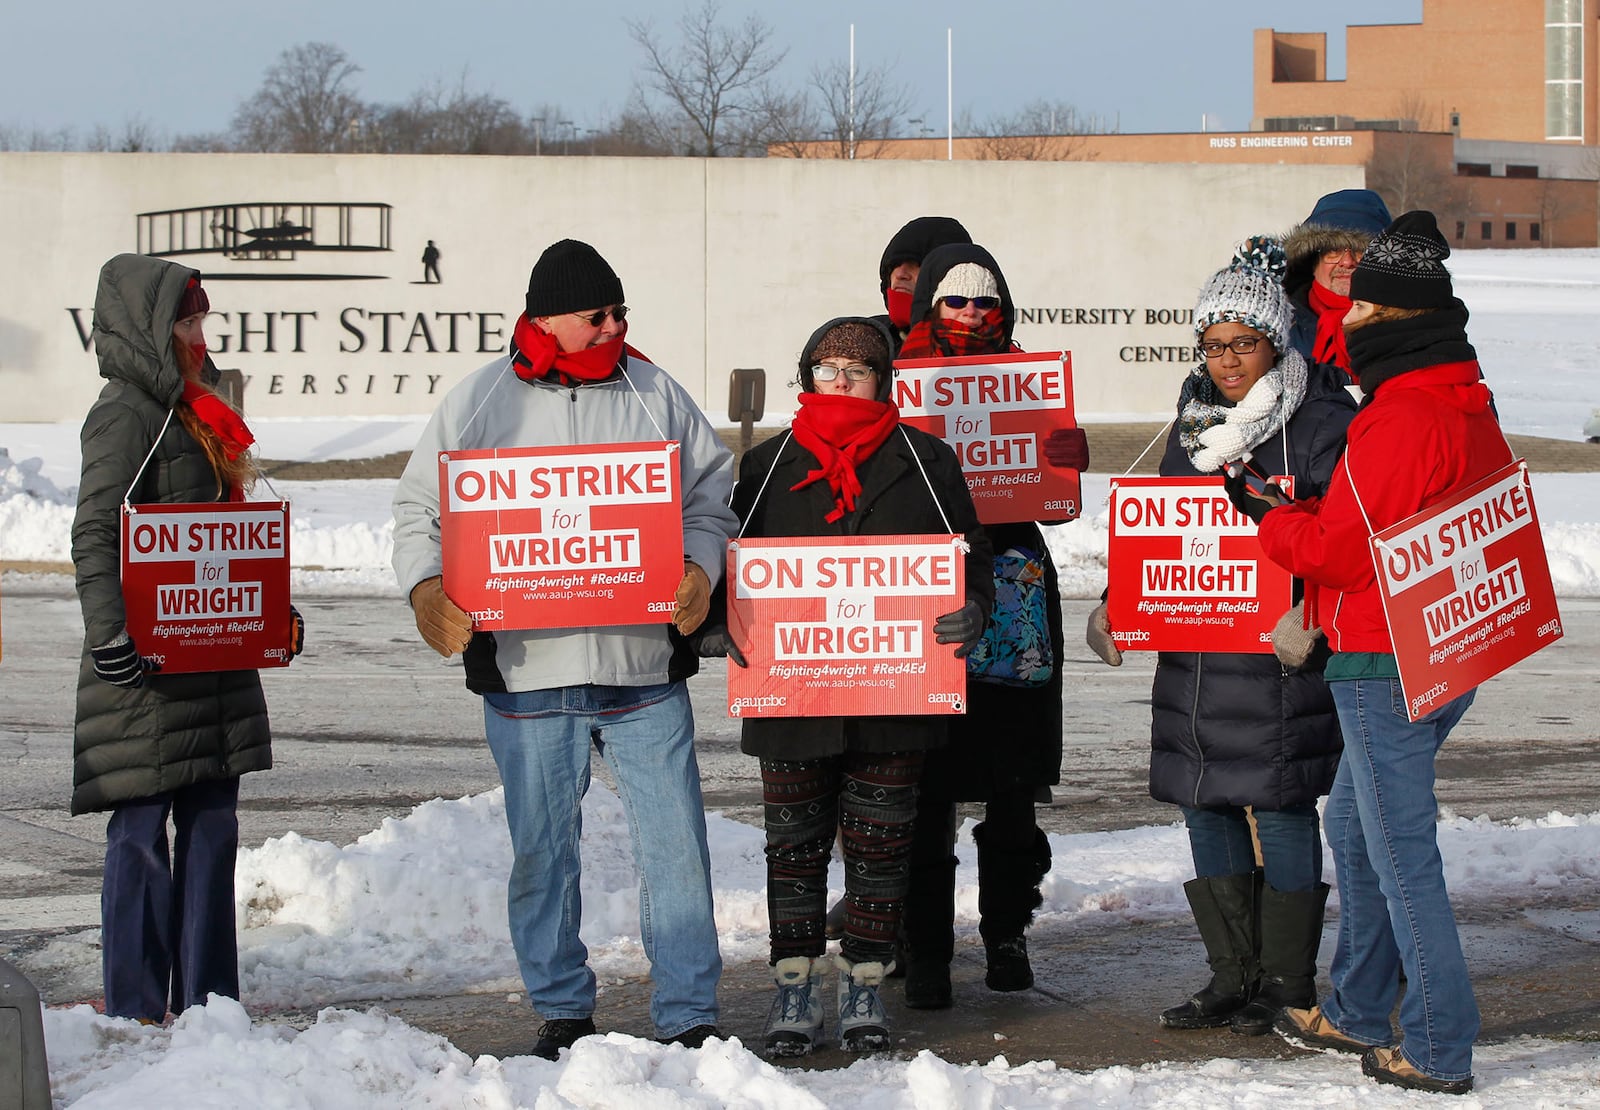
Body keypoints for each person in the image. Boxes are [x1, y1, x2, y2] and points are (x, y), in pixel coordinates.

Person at [391, 239, 738, 1059]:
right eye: (599, 314)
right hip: (525, 674)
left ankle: (689, 1013)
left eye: (622, 312)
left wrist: (699, 564)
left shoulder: (654, 391)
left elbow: (710, 497)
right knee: (543, 856)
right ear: (548, 317)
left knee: (677, 850)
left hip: (641, 670)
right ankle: (562, 1007)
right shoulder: (480, 401)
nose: (616, 325)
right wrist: (424, 590)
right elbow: (419, 511)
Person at [1238, 211, 1505, 1096]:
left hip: (1381, 656)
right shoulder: (1462, 396)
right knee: (1353, 823)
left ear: (1390, 319)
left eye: (1358, 310)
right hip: (1441, 645)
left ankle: (1438, 1042)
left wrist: (1268, 516)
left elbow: (1339, 554)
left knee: (1398, 853)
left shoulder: (1399, 417)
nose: (1341, 318)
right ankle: (1357, 1008)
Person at [696, 316, 992, 1056]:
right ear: (806, 377)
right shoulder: (763, 467)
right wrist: (712, 620)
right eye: (826, 367)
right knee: (791, 849)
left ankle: (865, 981)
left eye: (856, 369)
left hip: (894, 695)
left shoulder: (927, 461)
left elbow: (971, 553)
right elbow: (728, 560)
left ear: (882, 380)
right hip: (791, 696)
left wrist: (973, 608)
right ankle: (794, 987)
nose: (840, 380)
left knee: (880, 846)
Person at [1089, 239, 1353, 1038]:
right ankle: (1230, 977)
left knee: (1278, 809)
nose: (1227, 360)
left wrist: (1309, 611)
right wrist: (1118, 599)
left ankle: (1285, 981)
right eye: (1212, 345)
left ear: (1276, 338)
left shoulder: (1321, 421)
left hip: (1277, 656)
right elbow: (1165, 535)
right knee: (1202, 804)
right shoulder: (1190, 425)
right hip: (1195, 655)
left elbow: (1344, 533)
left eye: (1243, 342)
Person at [71, 255, 304, 1023]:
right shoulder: (127, 414)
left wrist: (273, 615)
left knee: (212, 830)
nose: (200, 335)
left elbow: (228, 538)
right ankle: (137, 1004)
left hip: (215, 662)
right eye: (186, 321)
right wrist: (109, 634)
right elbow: (96, 531)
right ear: (149, 329)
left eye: (201, 319)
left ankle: (209, 1002)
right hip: (145, 668)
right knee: (140, 831)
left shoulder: (197, 412)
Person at [895, 243, 1089, 1008]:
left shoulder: (1028, 382)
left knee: (1012, 786)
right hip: (929, 589)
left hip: (1015, 584)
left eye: (986, 303)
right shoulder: (896, 378)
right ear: (929, 308)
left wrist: (1062, 461)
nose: (973, 316)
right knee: (926, 785)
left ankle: (1007, 932)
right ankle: (928, 948)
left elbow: (1056, 501)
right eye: (955, 301)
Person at [1281, 189, 1392, 381]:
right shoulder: (1280, 327)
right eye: (1333, 250)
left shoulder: (1408, 326)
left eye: (1360, 250)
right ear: (1312, 260)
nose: (1347, 262)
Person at [873, 216, 973, 351]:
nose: (900, 274)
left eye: (916, 265)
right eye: (894, 266)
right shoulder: (867, 340)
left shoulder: (987, 349)